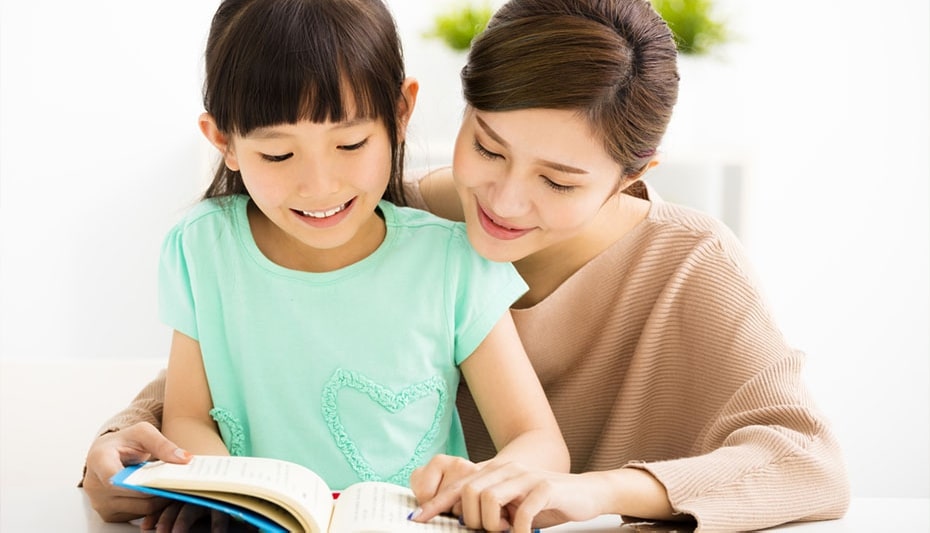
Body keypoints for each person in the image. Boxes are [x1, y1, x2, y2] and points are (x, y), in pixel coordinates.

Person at [82, 0, 851, 531]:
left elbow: (806, 459)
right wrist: (120, 437)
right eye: (487, 145)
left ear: (632, 171)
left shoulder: (690, 263)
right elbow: (241, 356)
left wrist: (592, 491)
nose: (505, 200)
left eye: (558, 179)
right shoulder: (397, 216)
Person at [93, 0, 569, 530]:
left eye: (350, 143)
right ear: (223, 141)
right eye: (277, 155)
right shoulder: (203, 247)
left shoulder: (452, 262)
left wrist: (489, 480)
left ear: (400, 114)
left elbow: (540, 443)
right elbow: (185, 415)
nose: (319, 186)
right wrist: (233, 497)